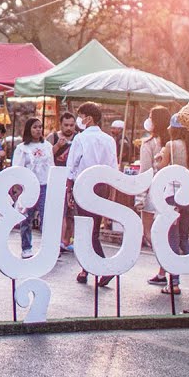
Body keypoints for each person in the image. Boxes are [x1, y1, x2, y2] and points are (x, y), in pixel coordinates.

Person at [154, 114, 189, 295]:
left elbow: (162, 169)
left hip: (172, 196)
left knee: (172, 240)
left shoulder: (170, 146)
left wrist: (158, 160)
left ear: (173, 129)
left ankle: (174, 283)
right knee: (184, 238)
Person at [65, 102, 118, 288]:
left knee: (87, 231)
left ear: (88, 118)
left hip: (84, 185)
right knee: (92, 228)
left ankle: (104, 267)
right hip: (102, 186)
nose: (79, 120)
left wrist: (69, 189)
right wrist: (111, 192)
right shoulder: (109, 140)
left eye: (80, 116)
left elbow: (71, 166)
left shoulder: (81, 139)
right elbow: (113, 167)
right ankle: (86, 268)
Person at [10, 118, 53, 259]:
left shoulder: (47, 146)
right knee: (26, 218)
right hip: (28, 186)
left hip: (44, 185)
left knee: (46, 217)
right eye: (35, 127)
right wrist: (18, 186)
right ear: (29, 129)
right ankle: (26, 247)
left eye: (40, 127)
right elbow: (17, 168)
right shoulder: (22, 148)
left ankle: (48, 248)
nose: (38, 130)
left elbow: (51, 166)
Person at [139, 106, 172, 286]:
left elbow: (145, 171)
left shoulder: (148, 143)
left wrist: (139, 197)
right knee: (167, 232)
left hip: (153, 191)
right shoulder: (174, 142)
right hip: (171, 191)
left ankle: (163, 266)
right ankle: (164, 270)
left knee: (150, 232)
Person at [47, 113, 78, 252]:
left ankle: (68, 240)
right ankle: (58, 240)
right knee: (59, 211)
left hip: (73, 178)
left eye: (72, 125)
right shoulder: (52, 137)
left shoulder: (79, 138)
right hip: (57, 178)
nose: (69, 128)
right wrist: (57, 146)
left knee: (72, 212)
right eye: (66, 125)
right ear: (61, 124)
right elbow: (46, 156)